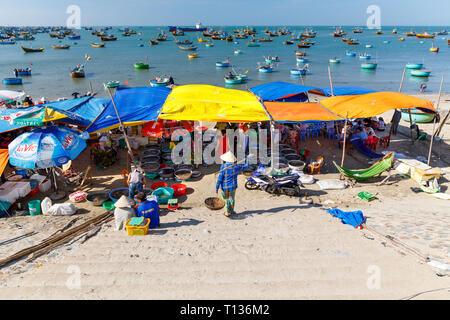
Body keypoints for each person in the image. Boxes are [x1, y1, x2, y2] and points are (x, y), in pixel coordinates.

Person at [215, 151, 250, 217]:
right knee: (231, 198)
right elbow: (246, 166)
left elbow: (220, 178)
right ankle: (231, 211)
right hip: (233, 187)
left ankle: (227, 212)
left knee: (226, 199)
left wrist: (217, 187)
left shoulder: (223, 167)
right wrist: (247, 159)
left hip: (224, 187)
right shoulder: (236, 166)